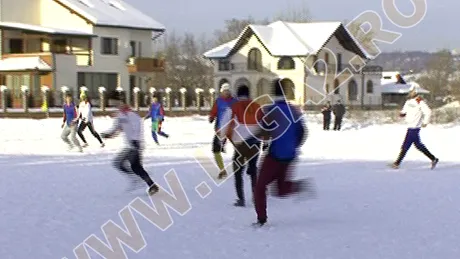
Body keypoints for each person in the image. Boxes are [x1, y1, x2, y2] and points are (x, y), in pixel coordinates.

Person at [253, 78, 316, 227]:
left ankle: (261, 219)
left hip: (275, 155)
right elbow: (303, 132)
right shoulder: (294, 110)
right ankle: (299, 186)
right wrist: (293, 146)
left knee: (260, 187)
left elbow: (264, 131)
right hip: (290, 156)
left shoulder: (270, 110)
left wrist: (257, 138)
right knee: (280, 189)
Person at [218, 84, 264, 207]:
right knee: (253, 169)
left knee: (238, 171)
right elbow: (265, 124)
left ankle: (241, 199)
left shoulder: (233, 107)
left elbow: (224, 124)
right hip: (255, 142)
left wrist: (222, 139)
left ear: (238, 95)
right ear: (249, 94)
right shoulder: (257, 107)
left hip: (240, 144)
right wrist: (266, 141)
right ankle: (256, 196)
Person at [100, 101, 159, 195]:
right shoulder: (120, 116)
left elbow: (137, 129)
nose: (120, 106)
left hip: (135, 145)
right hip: (129, 145)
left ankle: (136, 179)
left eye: (122, 104)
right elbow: (116, 129)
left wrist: (135, 141)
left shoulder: (133, 116)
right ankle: (152, 185)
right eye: (118, 105)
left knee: (118, 163)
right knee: (136, 167)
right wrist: (108, 134)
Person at [391, 86, 439, 169]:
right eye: (410, 92)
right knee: (418, 145)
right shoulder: (408, 102)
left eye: (412, 92)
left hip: (415, 127)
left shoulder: (419, 101)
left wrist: (425, 122)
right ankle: (433, 159)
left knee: (406, 145)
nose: (411, 93)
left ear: (415, 92)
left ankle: (397, 163)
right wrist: (402, 114)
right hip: (410, 126)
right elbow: (404, 111)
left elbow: (428, 111)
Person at [209, 83, 237, 179]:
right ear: (221, 92)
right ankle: (222, 170)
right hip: (220, 129)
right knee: (216, 150)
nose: (226, 93)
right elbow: (214, 111)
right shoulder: (218, 101)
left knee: (241, 148)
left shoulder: (235, 102)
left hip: (233, 130)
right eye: (225, 91)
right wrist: (211, 117)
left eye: (228, 91)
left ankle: (245, 166)